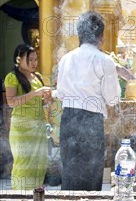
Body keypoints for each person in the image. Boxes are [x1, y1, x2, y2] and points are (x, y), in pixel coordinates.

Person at [56, 11, 120, 191]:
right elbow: (112, 98)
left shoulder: (65, 58)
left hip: (68, 119)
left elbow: (60, 93)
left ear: (80, 34)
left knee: (69, 174)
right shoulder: (104, 60)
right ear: (101, 36)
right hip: (91, 122)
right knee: (90, 178)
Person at [4, 43, 52, 190]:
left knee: (40, 162)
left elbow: (41, 102)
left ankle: (36, 199)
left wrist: (47, 100)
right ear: (19, 59)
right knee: (23, 163)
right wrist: (36, 93)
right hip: (22, 129)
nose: (34, 63)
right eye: (30, 59)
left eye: (36, 59)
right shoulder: (12, 77)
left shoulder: (37, 77)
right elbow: (11, 102)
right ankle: (19, 200)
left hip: (38, 126)